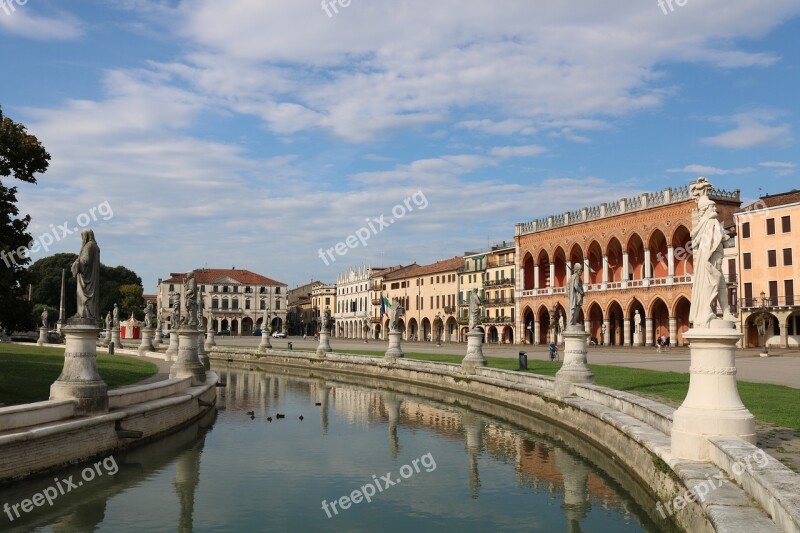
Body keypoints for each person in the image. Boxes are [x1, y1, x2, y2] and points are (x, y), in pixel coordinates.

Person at [71, 229, 100, 320]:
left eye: (82, 236)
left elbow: (85, 261)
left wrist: (76, 263)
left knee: (82, 295)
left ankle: (82, 313)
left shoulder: (88, 246)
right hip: (92, 277)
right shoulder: (95, 247)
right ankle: (86, 313)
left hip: (85, 278)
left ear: (86, 236)